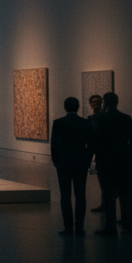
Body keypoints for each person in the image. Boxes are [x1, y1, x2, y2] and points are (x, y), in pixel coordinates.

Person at [93, 92, 132, 236]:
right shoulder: (126, 118)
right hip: (123, 161)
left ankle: (110, 226)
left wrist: (97, 159)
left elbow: (97, 140)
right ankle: (127, 223)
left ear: (105, 102)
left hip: (106, 162)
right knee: (125, 194)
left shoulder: (102, 118)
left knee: (108, 195)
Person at [50, 97, 94, 236]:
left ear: (65, 107)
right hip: (80, 163)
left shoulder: (58, 123)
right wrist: (87, 162)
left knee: (65, 196)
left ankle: (68, 227)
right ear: (78, 107)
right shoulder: (85, 123)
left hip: (63, 163)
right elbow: (91, 146)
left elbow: (54, 146)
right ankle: (79, 227)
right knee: (80, 196)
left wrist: (57, 162)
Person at [88, 94, 105, 212]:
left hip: (105, 152)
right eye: (94, 103)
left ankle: (106, 204)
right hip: (98, 153)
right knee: (102, 180)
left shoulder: (104, 117)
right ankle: (104, 203)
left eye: (98, 102)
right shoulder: (91, 118)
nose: (96, 105)